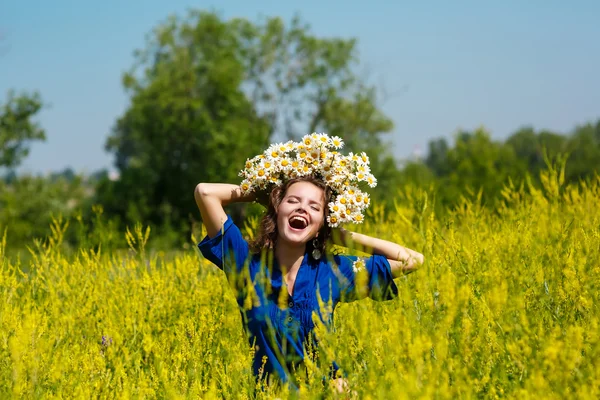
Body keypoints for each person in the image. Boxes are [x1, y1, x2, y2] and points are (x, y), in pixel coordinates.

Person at [194, 174, 424, 393]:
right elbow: (205, 193)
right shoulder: (244, 264)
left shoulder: (334, 270)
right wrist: (264, 193)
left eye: (315, 207)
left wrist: (341, 235)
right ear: (277, 209)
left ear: (321, 223)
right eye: (292, 201)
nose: (302, 208)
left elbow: (412, 260)